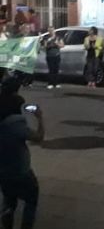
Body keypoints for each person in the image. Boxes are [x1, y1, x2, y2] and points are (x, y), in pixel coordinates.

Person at [0, 75, 45, 229]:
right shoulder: (15, 124)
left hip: (3, 168)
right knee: (31, 198)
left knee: (9, 200)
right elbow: (38, 137)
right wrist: (40, 118)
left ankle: (6, 221)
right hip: (20, 169)